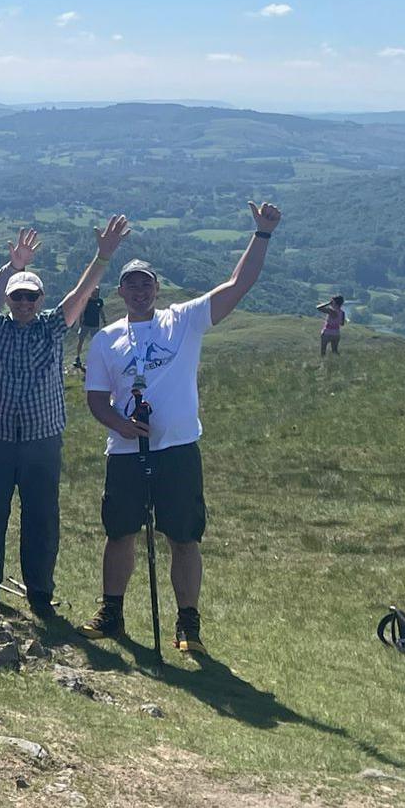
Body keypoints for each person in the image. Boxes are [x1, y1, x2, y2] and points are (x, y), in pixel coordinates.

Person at [80, 202, 283, 655]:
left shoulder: (183, 321)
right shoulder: (106, 339)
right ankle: (111, 612)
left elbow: (238, 285)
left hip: (178, 449)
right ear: (120, 292)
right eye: (130, 284)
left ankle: (189, 623)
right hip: (127, 452)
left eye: (145, 283)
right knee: (120, 533)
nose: (138, 291)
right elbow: (95, 398)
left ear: (157, 288)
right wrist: (120, 426)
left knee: (184, 536)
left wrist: (262, 234)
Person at [0, 217, 128, 614]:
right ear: (7, 300)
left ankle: (39, 590)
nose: (24, 304)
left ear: (40, 300)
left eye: (30, 297)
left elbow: (81, 292)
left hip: (42, 439)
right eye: (17, 297)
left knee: (42, 518)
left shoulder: (53, 326)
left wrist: (104, 256)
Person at [74, 288, 105, 371]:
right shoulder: (87, 301)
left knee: (95, 343)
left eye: (98, 292)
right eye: (95, 292)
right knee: (81, 340)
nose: (96, 294)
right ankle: (78, 357)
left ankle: (95, 359)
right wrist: (80, 322)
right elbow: (82, 312)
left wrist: (104, 320)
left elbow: (101, 311)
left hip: (95, 325)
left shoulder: (100, 301)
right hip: (85, 324)